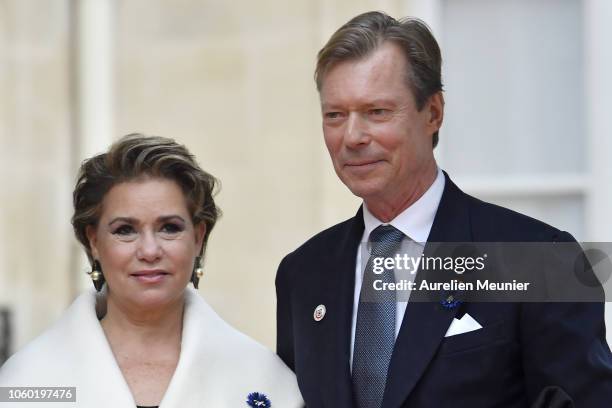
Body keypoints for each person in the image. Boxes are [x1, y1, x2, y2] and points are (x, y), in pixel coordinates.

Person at [275, 11, 612, 408]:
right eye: (335, 115)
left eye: (377, 112)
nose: (352, 136)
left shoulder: (541, 261)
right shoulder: (304, 273)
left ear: (433, 112)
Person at [0, 134, 303, 408]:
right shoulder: (27, 381)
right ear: (93, 241)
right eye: (125, 230)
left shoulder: (265, 379)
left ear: (198, 238)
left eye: (169, 228)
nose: (149, 251)